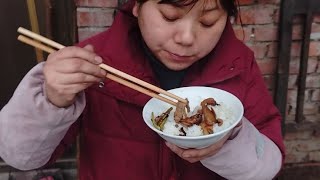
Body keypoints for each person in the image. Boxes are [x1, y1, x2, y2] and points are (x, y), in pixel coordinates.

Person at [0, 0, 285, 179]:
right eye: (170, 16)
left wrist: (229, 140)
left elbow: (267, 166)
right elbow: (19, 157)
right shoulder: (94, 63)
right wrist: (52, 99)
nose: (186, 38)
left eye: (208, 21)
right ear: (137, 6)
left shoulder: (238, 65)